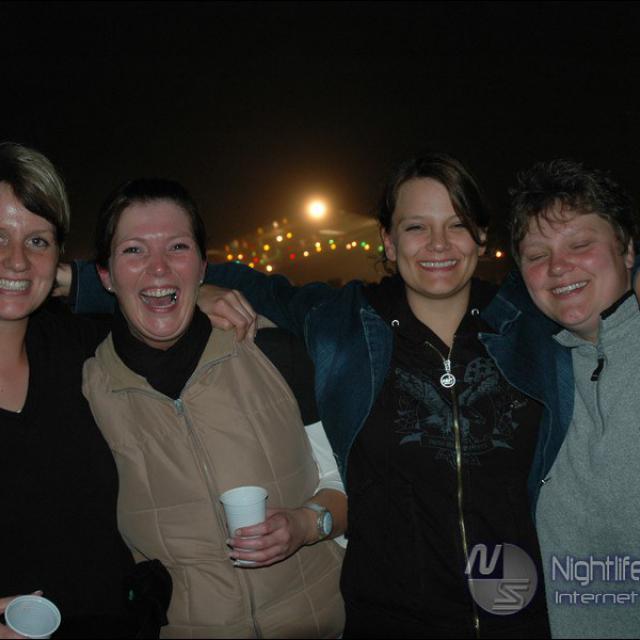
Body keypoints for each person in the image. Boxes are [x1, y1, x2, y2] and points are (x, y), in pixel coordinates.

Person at [70, 154, 551, 637]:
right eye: (416, 227)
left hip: (517, 611)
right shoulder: (345, 324)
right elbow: (211, 279)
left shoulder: (530, 326)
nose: (439, 243)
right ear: (388, 240)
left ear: (482, 236)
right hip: (389, 617)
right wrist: (61, 279)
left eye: (458, 224)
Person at [80, 178, 346, 638]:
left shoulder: (274, 353)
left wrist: (306, 525)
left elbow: (349, 482)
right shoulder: (88, 392)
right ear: (104, 275)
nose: (159, 268)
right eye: (134, 250)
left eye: (178, 247)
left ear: (203, 267)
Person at [480, 159, 640, 639]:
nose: (557, 267)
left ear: (627, 250)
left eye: (580, 244)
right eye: (536, 254)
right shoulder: (526, 366)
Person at [0, 142, 144, 638]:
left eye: (38, 241)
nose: (17, 261)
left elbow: (163, 307)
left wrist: (197, 292)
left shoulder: (82, 349)